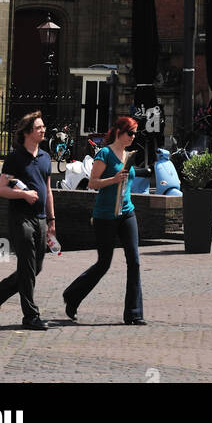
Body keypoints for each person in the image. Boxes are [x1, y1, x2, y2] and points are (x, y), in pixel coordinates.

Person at [62, 116, 145, 325]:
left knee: (134, 261)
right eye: (131, 133)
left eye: (135, 133)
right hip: (105, 215)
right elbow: (93, 183)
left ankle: (134, 313)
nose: (133, 137)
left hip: (127, 212)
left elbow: (127, 184)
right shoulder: (105, 153)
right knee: (103, 263)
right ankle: (72, 296)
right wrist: (114, 179)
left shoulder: (129, 155)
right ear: (119, 132)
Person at [0, 110, 54, 331]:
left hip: (41, 219)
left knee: (36, 268)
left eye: (43, 127)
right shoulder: (15, 157)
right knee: (26, 266)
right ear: (27, 132)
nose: (43, 130)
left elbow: (48, 189)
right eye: (38, 128)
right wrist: (24, 195)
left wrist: (52, 218)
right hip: (21, 218)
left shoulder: (45, 157)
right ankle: (30, 316)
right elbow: (1, 190)